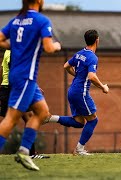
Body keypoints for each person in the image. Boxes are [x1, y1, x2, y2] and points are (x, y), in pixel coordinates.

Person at [0, 0, 61, 171]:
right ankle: (24, 152)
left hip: (22, 77)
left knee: (42, 112)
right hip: (26, 77)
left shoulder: (16, 20)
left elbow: (0, 39)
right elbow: (49, 48)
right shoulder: (42, 21)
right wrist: (56, 45)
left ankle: (24, 151)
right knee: (11, 119)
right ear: (40, 1)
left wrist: (16, 46)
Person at [44, 29, 109, 156]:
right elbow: (92, 76)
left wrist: (77, 74)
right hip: (80, 93)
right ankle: (79, 149)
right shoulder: (92, 57)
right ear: (97, 40)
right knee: (93, 120)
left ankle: (51, 118)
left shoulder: (79, 53)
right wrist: (103, 87)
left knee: (79, 122)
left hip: (72, 90)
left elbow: (66, 66)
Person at [0, 50, 49, 159]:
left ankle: (31, 154)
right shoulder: (15, 53)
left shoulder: (9, 51)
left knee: (28, 117)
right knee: (11, 120)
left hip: (9, 89)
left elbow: (2, 69)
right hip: (12, 89)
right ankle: (30, 153)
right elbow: (17, 73)